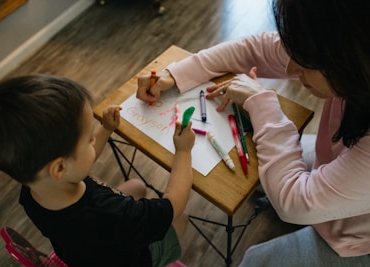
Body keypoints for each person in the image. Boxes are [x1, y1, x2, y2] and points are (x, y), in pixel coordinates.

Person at [136, 0, 370, 266]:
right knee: (262, 167)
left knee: (255, 260)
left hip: (358, 238)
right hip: (340, 168)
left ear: (351, 57)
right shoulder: (348, 51)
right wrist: (175, 74)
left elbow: (294, 202)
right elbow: (256, 49)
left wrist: (263, 104)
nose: (291, 69)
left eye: (305, 63)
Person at [0, 74, 195, 267]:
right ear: (59, 167)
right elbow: (173, 206)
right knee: (182, 218)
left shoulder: (33, 187)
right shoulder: (111, 215)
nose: (93, 140)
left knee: (136, 186)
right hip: (132, 260)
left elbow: (77, 164)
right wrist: (184, 151)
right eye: (90, 139)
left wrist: (106, 129)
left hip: (84, 255)